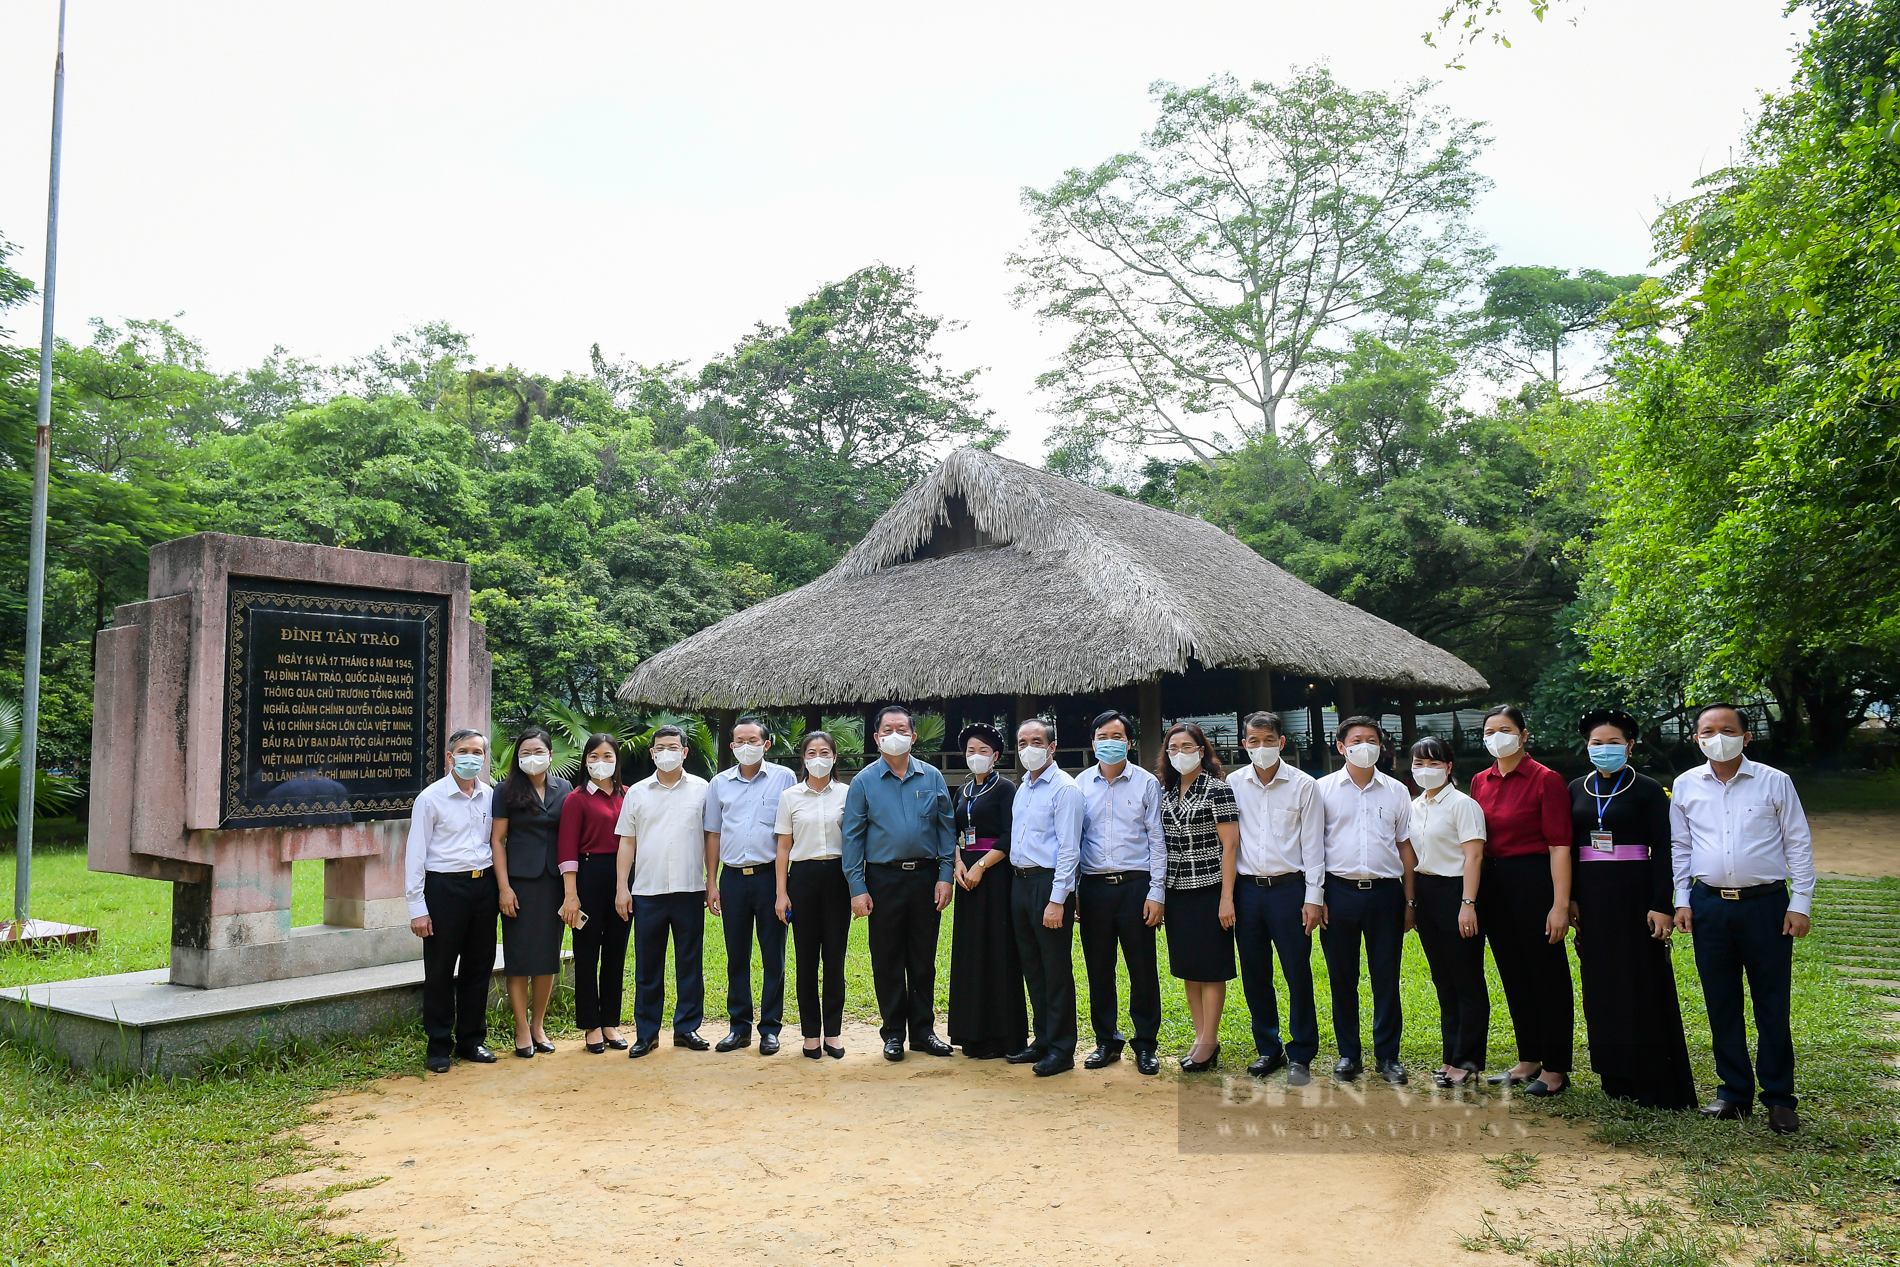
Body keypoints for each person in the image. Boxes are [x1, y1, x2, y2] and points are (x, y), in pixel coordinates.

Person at [1672, 703, 1815, 1134]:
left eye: (1728, 729)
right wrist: (1682, 899)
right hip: (1709, 905)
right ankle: (1733, 1092)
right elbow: (1681, 846)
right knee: (1721, 1000)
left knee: (1772, 1001)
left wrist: (1801, 902)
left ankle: (1779, 1097)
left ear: (1746, 737)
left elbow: (1798, 842)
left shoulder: (1774, 781)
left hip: (1767, 906)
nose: (1718, 736)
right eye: (1708, 731)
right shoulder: (1685, 785)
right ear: (1697, 738)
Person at [1570, 709, 1698, 1110]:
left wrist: (1662, 904)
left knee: (1641, 980)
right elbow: (1570, 847)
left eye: (1612, 742)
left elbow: (1665, 851)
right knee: (1601, 983)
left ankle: (1653, 1076)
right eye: (1596, 743)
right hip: (1591, 897)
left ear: (1629, 745)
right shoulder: (1575, 788)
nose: (1603, 749)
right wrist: (1571, 897)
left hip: (1636, 895)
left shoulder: (1648, 791)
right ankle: (1614, 1073)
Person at [842, 704, 957, 1061]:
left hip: (925, 878)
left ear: (913, 736)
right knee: (888, 958)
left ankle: (923, 1031)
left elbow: (945, 828)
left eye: (902, 729)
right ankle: (893, 1033)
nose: (895, 735)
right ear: (876, 738)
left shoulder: (932, 777)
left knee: (923, 959)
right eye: (887, 730)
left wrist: (944, 875)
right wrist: (857, 887)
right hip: (883, 879)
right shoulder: (862, 782)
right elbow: (852, 839)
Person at [1470, 704, 1574, 1097]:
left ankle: (1556, 1068)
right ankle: (1529, 1057)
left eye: (1505, 729)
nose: (1497, 737)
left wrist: (1560, 904)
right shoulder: (1481, 780)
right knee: (1513, 974)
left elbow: (1560, 845)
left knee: (1547, 975)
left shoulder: (1545, 780)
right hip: (1493, 886)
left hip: (1534, 881)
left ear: (1524, 735)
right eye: (1490, 731)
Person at [1316, 716, 1416, 1084]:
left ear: (1381, 746)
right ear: (1341, 747)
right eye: (1357, 739)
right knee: (1343, 977)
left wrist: (1410, 900)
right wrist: (1318, 896)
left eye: (1372, 739)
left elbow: (1405, 846)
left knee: (1386, 977)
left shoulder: (1396, 791)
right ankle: (1348, 1054)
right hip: (1338, 893)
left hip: (1386, 895)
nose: (1365, 745)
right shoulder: (1322, 789)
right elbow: (1313, 847)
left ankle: (1388, 1057)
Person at [1226, 711, 1324, 1085]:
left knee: (1297, 972)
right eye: (1254, 741)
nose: (1261, 747)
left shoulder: (1303, 785)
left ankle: (1301, 1052)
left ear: (1282, 743)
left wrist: (1313, 898)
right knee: (1255, 973)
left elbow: (1314, 846)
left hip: (1289, 890)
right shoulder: (1233, 783)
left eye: (1269, 740)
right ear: (1244, 743)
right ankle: (1268, 1047)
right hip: (1248, 892)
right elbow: (1229, 844)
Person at [614, 725, 715, 1058]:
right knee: (647, 966)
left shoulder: (702, 789)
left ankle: (687, 1028)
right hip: (647, 891)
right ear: (652, 752)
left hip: (689, 889)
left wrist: (710, 881)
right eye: (660, 747)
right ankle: (646, 1033)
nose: (666, 752)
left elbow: (710, 838)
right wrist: (621, 888)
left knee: (689, 964)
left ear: (685, 752)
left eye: (673, 746)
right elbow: (627, 842)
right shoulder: (637, 793)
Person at [1076, 710, 1165, 1076]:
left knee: (1142, 968)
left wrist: (1157, 892)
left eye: (1117, 736)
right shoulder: (1078, 784)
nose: (1109, 742)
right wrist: (1075, 891)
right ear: (1093, 742)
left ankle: (1145, 1044)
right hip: (1094, 887)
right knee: (1099, 968)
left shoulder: (1146, 783)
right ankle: (1106, 1041)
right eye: (1102, 736)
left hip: (1135, 887)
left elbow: (1157, 840)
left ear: (1128, 742)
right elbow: (1074, 840)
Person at [405, 728, 499, 1074]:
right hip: (445, 889)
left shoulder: (490, 796)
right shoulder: (431, 799)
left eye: (477, 751)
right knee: (441, 969)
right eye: (464, 751)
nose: (471, 757)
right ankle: (438, 1044)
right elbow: (415, 855)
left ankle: (472, 1039)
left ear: (484, 757)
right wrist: (418, 908)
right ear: (450, 756)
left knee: (479, 966)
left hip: (483, 887)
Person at [705, 716, 799, 1056]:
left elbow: (787, 835)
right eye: (739, 742)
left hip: (769, 878)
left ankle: (770, 1028)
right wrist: (711, 882)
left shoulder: (784, 778)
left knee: (773, 955)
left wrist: (781, 888)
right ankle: (738, 1027)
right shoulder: (719, 783)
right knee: (736, 956)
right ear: (731, 746)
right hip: (731, 879)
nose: (746, 747)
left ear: (766, 744)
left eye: (753, 741)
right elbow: (713, 833)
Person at [1407, 735, 1488, 1089]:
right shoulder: (1414, 805)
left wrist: (1468, 903)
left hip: (1458, 892)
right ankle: (1450, 1055)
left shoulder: (1463, 804)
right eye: (1419, 764)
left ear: (1449, 766)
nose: (1426, 770)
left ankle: (1467, 1061)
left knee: (1466, 980)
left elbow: (1474, 855)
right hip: (1427, 892)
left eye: (1434, 763)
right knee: (1444, 981)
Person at [1158, 722, 1239, 1072]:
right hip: (1176, 891)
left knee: (1211, 969)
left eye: (1188, 747)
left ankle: (1210, 1039)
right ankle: (1199, 1035)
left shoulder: (1218, 790)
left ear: (1202, 751)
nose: (1180, 754)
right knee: (1189, 968)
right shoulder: (1166, 791)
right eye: (1173, 748)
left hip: (1209, 889)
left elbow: (1231, 846)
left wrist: (1226, 898)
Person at [1005, 718, 1083, 1077]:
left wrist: (1057, 899)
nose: (1029, 748)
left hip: (1049, 885)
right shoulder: (1023, 787)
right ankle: (1042, 1039)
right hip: (1020, 883)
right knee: (1032, 967)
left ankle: (1063, 1048)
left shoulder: (1064, 789)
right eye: (1022, 742)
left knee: (1055, 969)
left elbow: (1069, 849)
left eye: (1037, 741)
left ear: (1052, 747)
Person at [491, 726, 572, 1058]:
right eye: (525, 752)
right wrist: (504, 888)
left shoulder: (564, 788)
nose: (532, 758)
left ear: (551, 756)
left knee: (547, 958)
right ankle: (521, 1028)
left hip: (554, 883)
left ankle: (538, 1025)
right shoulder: (505, 790)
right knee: (519, 959)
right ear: (517, 757)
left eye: (539, 752)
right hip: (519, 885)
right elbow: (497, 841)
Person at [947, 723, 1025, 1061]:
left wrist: (982, 866)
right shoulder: (962, 792)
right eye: (970, 751)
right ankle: (970, 1033)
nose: (975, 756)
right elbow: (953, 833)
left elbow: (1011, 835)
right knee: (970, 952)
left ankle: (1003, 1036)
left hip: (996, 875)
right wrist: (959, 864)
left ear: (995, 755)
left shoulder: (1007, 788)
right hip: (966, 876)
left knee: (998, 950)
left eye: (982, 751)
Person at [774, 730, 852, 1059]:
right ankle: (810, 1035)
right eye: (810, 753)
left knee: (834, 959)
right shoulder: (790, 796)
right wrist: (781, 892)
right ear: (803, 759)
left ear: (835, 757)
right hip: (802, 879)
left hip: (838, 878)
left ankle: (832, 1032)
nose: (817, 758)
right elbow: (783, 846)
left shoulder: (849, 794)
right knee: (806, 961)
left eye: (824, 752)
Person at [558, 734, 630, 1053]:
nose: (601, 762)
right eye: (594, 756)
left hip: (622, 878)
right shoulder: (576, 799)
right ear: (586, 760)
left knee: (616, 952)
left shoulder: (628, 795)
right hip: (587, 878)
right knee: (587, 953)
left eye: (607, 755)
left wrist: (625, 885)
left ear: (616, 760)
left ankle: (610, 1022)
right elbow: (567, 850)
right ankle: (591, 1025)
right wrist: (571, 895)